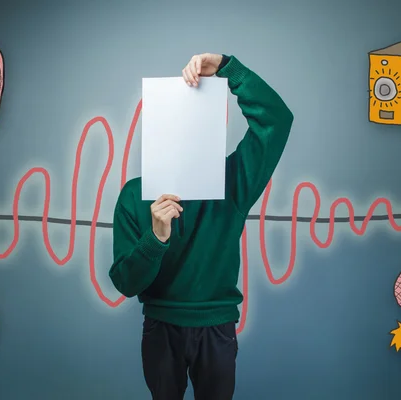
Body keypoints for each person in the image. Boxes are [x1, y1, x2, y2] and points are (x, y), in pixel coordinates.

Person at [109, 53, 294, 400]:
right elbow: (124, 282)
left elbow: (276, 121)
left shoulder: (232, 183)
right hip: (162, 327)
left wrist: (229, 69)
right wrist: (156, 238)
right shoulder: (134, 195)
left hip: (217, 325)